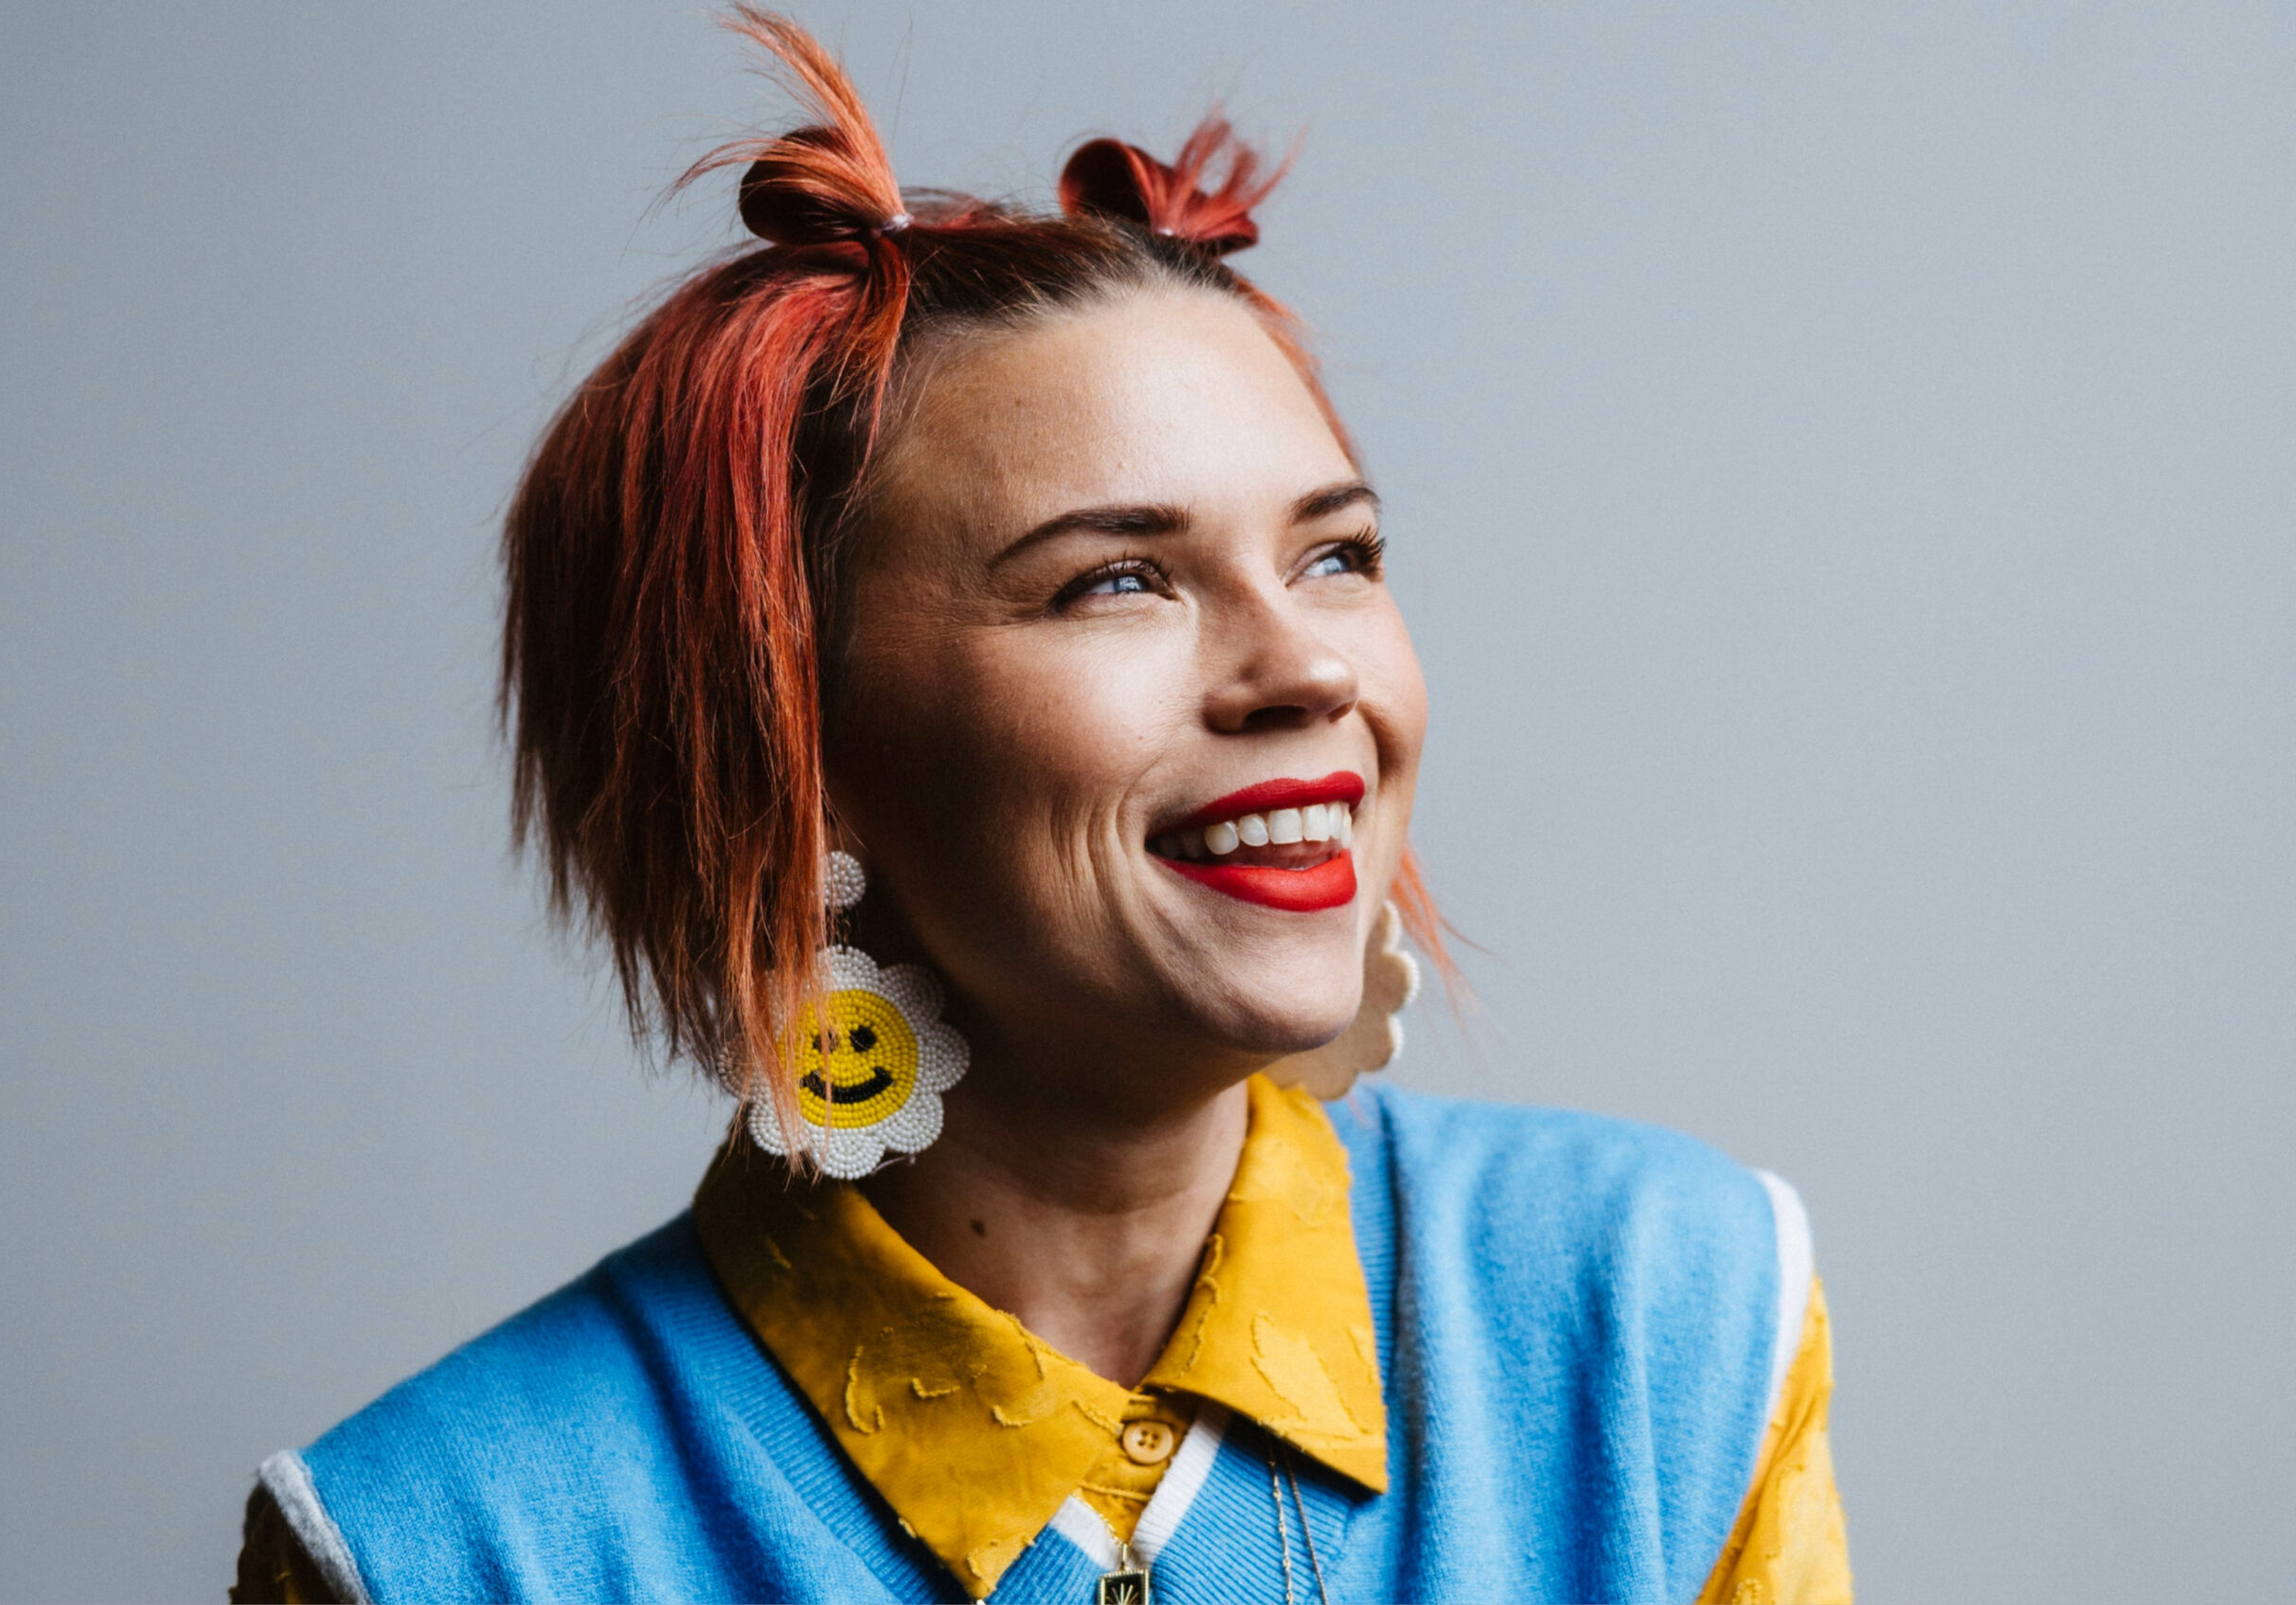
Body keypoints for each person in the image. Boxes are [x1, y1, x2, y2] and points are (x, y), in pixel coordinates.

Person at [232, 11, 1850, 1601]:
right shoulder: (438, 1548)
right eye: (1119, 580)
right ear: (799, 750)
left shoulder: (1666, 1320)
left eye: (1335, 555)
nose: (1306, 670)